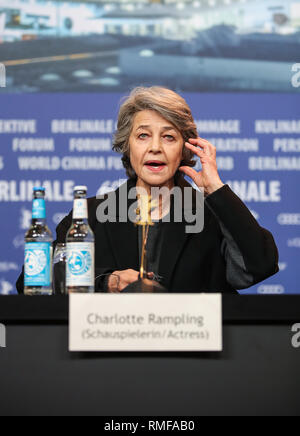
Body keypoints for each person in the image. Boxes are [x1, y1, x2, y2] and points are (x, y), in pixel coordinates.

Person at [16, 87, 279, 294]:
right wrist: (105, 282)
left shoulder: (212, 215)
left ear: (185, 149)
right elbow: (33, 281)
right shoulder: (91, 216)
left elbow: (258, 268)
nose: (155, 147)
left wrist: (216, 190)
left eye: (169, 137)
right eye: (143, 136)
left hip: (194, 355)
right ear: (127, 146)